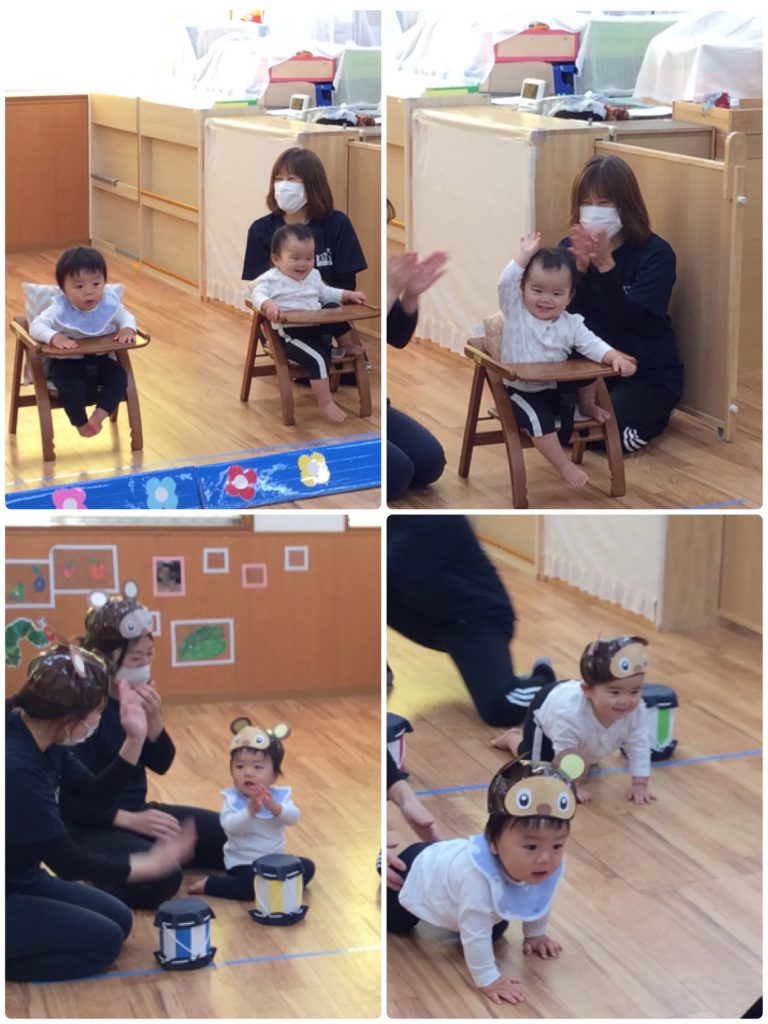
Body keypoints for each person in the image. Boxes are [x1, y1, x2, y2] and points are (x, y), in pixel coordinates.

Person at [6, 643, 195, 982]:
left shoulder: (43, 735)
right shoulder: (17, 768)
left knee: (119, 919)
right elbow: (68, 863)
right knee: (104, 943)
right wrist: (148, 864)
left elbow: (96, 795)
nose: (98, 719)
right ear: (70, 719)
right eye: (96, 712)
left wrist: (135, 738)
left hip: (20, 877)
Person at [61, 584, 226, 909]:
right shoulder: (83, 708)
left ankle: (143, 856)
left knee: (230, 836)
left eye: (149, 655)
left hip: (136, 810)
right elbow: (72, 801)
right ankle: (93, 877)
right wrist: (128, 820)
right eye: (136, 657)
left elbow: (162, 763)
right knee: (164, 879)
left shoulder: (136, 694)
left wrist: (154, 721)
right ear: (107, 658)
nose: (145, 664)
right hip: (90, 825)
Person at [388, 758, 575, 1006]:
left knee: (494, 930)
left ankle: (458, 911)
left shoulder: (542, 865)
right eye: (531, 847)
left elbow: (537, 898)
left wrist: (535, 935)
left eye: (557, 846)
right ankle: (382, 860)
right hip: (416, 868)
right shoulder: (475, 878)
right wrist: (489, 979)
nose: (545, 858)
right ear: (493, 843)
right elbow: (475, 935)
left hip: (452, 876)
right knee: (397, 924)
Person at [563, 154, 684, 452]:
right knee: (541, 420)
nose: (594, 212)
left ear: (625, 205)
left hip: (644, 370)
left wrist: (606, 266)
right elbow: (559, 321)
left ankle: (654, 415)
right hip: (589, 369)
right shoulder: (569, 249)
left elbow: (631, 324)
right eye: (587, 203)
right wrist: (578, 272)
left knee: (600, 436)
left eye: (604, 203)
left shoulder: (656, 254)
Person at [388, 515, 557, 728]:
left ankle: (546, 681)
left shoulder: (436, 521)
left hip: (475, 619)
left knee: (500, 708)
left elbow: (393, 568)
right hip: (429, 614)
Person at [499, 233, 637, 490]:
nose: (545, 299)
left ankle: (587, 404)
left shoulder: (571, 323)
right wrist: (526, 254)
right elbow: (505, 282)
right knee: (539, 420)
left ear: (570, 297)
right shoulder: (517, 313)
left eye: (556, 293)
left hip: (559, 389)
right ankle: (563, 464)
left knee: (587, 361)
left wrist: (615, 357)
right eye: (537, 290)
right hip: (523, 392)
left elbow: (593, 344)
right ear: (522, 288)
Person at [517, 635, 656, 805]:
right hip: (545, 707)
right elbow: (565, 752)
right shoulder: (569, 715)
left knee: (586, 757)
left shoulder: (637, 710)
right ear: (587, 690)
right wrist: (571, 785)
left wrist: (640, 784)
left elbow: (639, 745)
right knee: (539, 771)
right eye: (615, 692)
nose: (625, 701)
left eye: (635, 691)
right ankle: (512, 740)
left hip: (579, 711)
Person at [251, 224, 367, 423]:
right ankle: (325, 403)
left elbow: (326, 293)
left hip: (316, 328)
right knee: (318, 359)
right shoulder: (271, 279)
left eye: (309, 258)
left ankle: (346, 345)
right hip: (289, 335)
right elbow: (256, 294)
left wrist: (348, 295)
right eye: (295, 258)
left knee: (333, 307)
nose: (303, 264)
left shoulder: (313, 276)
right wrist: (268, 304)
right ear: (276, 259)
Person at [189, 719, 314, 900]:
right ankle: (212, 884)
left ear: (274, 775)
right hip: (243, 865)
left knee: (307, 867)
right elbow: (230, 826)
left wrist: (276, 808)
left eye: (258, 767)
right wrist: (249, 812)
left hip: (274, 860)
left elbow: (294, 817)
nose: (248, 772)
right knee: (251, 885)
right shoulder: (233, 799)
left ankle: (272, 884)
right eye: (240, 766)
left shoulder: (278, 797)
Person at [28, 247, 133, 438]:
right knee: (72, 388)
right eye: (79, 287)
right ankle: (81, 423)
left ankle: (99, 415)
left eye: (96, 283)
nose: (89, 292)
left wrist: (127, 328)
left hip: (101, 361)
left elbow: (126, 316)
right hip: (67, 364)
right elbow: (36, 325)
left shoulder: (108, 305)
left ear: (104, 282)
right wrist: (54, 336)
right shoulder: (59, 309)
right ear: (64, 289)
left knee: (119, 376)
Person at [387, 249, 448, 502]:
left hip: (379, 407)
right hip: (346, 408)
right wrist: (390, 290)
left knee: (430, 463)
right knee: (397, 474)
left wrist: (410, 295)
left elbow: (397, 337)